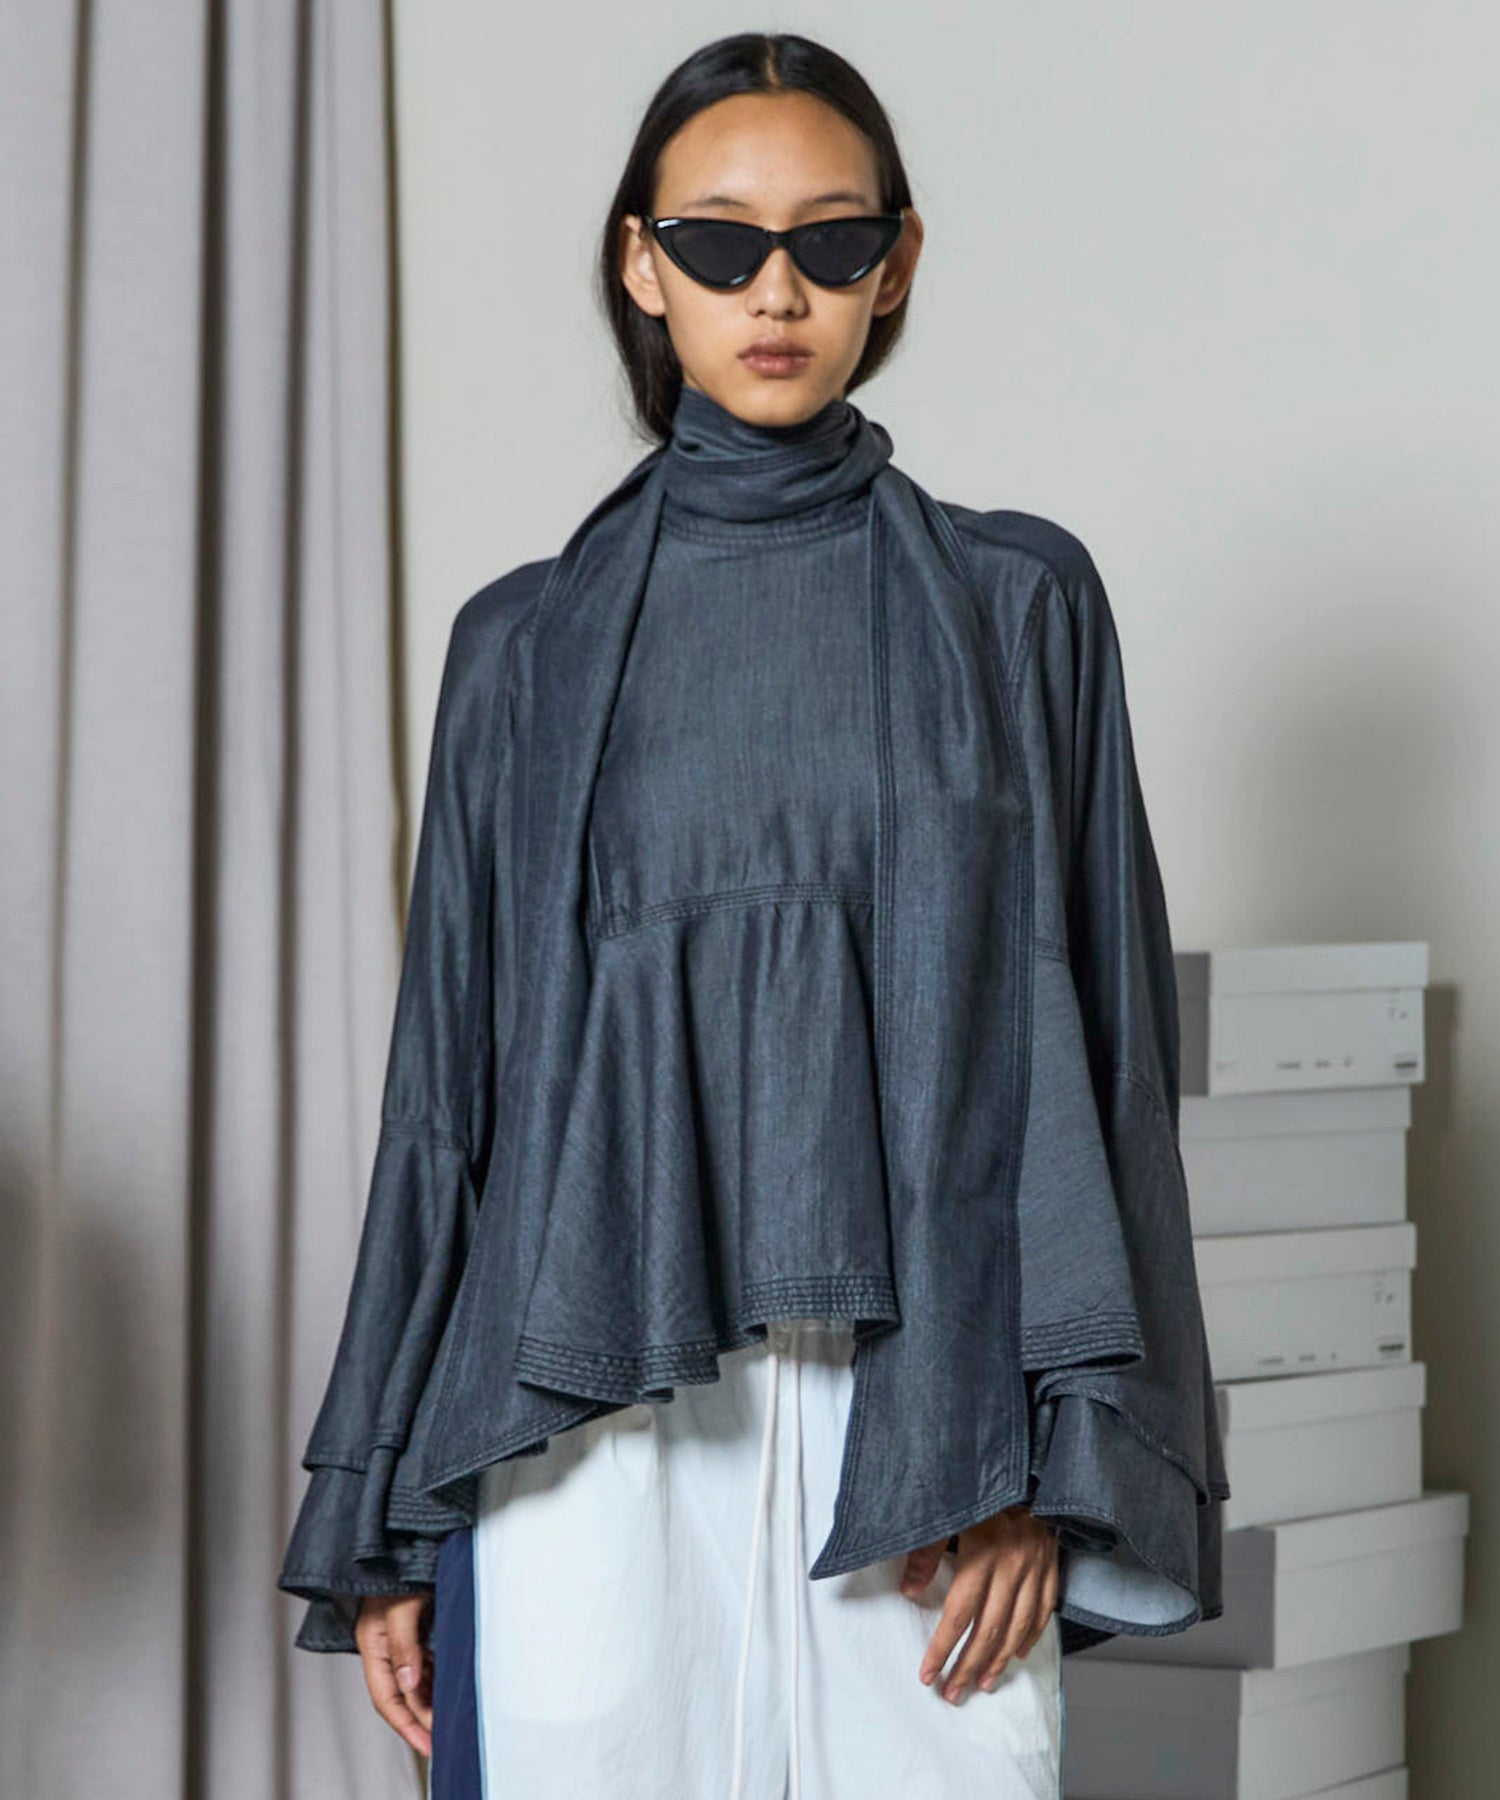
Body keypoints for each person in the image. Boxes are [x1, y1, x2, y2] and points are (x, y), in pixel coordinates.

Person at [278, 30, 1228, 1800]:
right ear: (642, 264)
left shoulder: (1019, 603)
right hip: (577, 1424)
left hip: (931, 1417)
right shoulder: (522, 646)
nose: (774, 291)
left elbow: (1104, 1061)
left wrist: (1054, 1455)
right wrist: (388, 1501)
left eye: (830, 241)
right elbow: (448, 1099)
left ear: (900, 262)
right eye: (718, 243)